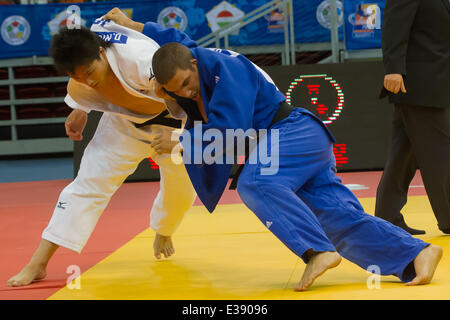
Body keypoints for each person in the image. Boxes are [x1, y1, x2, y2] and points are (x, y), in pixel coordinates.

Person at [148, 39, 442, 291]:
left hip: (292, 132)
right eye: (178, 90)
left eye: (187, 83)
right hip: (297, 143)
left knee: (256, 182)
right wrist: (170, 99)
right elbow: (172, 54)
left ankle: (316, 251)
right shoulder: (199, 77)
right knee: (335, 219)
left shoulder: (225, 68)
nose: (187, 92)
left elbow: (231, 130)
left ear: (195, 63)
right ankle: (416, 254)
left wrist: (180, 141)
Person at [6, 11, 197, 287]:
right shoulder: (86, 57)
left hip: (173, 125)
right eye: (81, 78)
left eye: (91, 73)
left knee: (181, 191)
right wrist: (79, 109)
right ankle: (38, 263)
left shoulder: (142, 59)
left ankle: (164, 230)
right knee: (87, 184)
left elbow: (187, 93)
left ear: (101, 53)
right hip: (126, 125)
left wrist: (179, 137)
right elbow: (84, 85)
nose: (90, 81)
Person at [376, 0, 450, 235]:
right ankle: (448, 218)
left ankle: (386, 219)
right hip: (419, 84)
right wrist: (393, 69)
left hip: (434, 82)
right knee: (441, 153)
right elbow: (394, 27)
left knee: (403, 157)